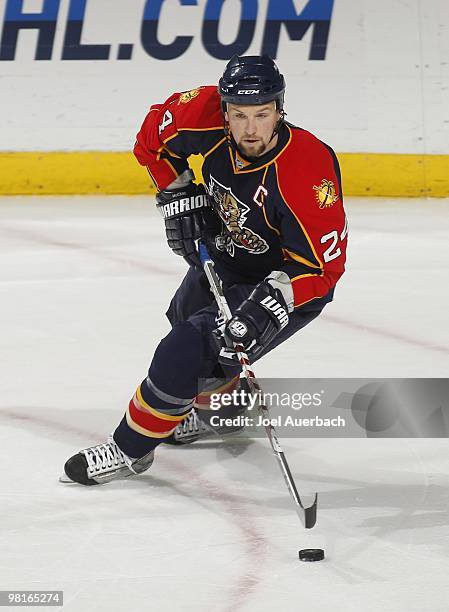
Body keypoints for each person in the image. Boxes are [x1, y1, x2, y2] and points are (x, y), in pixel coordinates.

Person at [61, 55, 347, 486]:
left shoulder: (308, 171)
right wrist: (178, 196)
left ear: (280, 109)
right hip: (225, 254)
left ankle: (129, 450)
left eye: (262, 115)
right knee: (185, 322)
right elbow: (150, 140)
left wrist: (264, 308)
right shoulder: (201, 113)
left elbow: (322, 270)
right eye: (240, 115)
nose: (251, 130)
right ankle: (222, 409)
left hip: (282, 282)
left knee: (186, 349)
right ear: (225, 109)